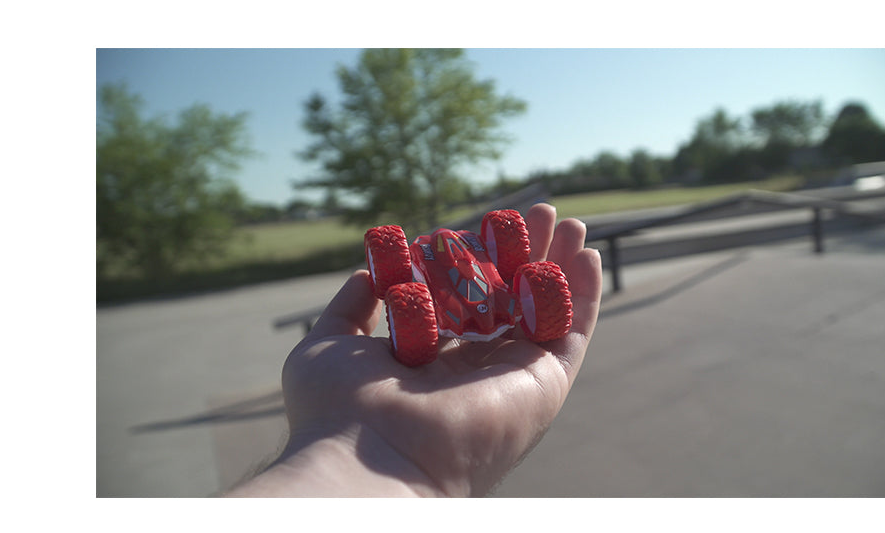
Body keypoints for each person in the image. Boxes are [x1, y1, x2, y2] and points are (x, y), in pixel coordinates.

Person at [224, 204, 603, 497]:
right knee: (407, 296)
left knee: (526, 273)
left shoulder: (486, 258)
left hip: (479, 267)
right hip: (432, 282)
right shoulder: (414, 271)